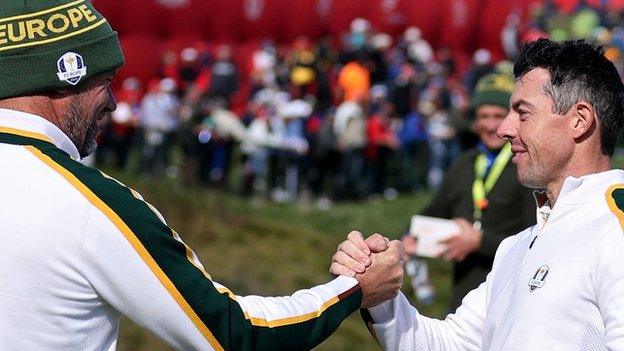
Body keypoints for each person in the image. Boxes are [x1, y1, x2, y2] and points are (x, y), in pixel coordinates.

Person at [0, 2, 403, 350]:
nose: (113, 103)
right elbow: (235, 333)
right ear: (63, 74)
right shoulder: (91, 207)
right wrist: (353, 290)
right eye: (104, 82)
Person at [331, 39, 624, 349]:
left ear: (579, 120)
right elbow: (452, 343)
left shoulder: (614, 231)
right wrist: (380, 295)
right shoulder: (516, 246)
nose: (504, 129)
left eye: (522, 114)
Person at [403, 73, 536, 311]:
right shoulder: (463, 163)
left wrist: (480, 242)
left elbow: (537, 240)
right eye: (483, 116)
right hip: (463, 299)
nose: (490, 125)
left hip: (512, 302)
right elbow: (435, 209)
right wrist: (409, 236)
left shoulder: (528, 167)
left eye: (498, 116)